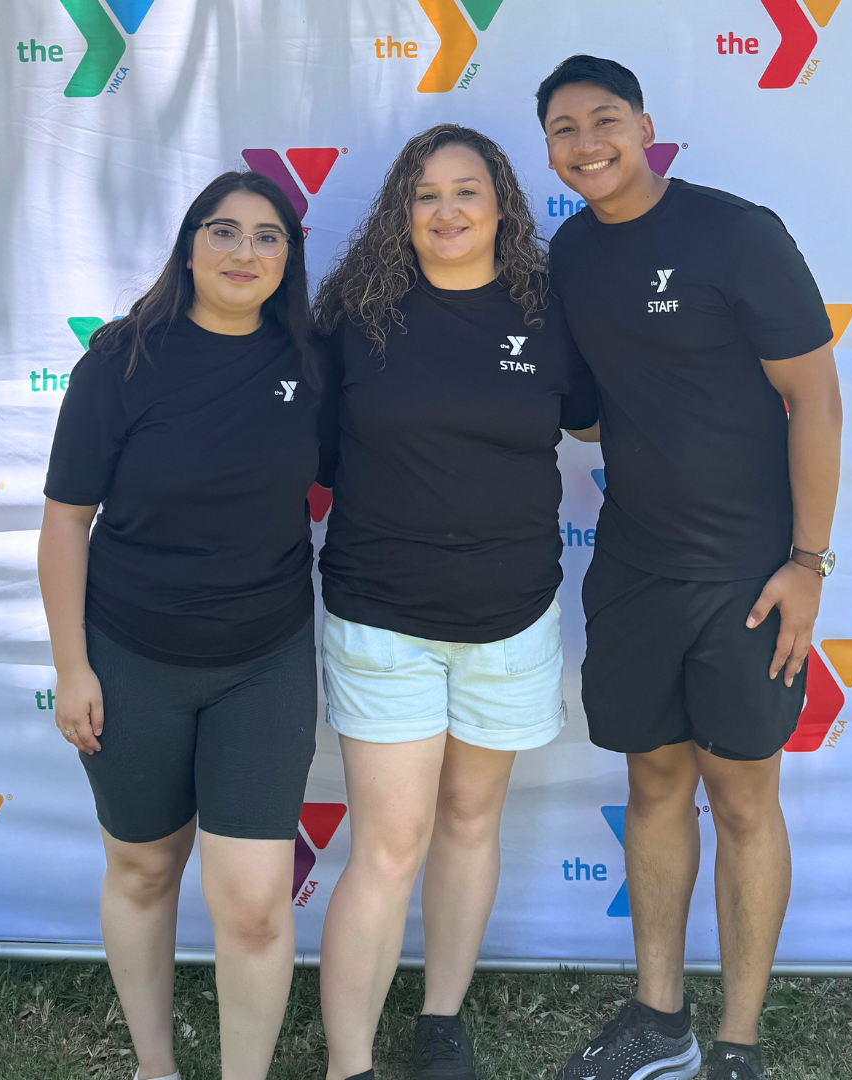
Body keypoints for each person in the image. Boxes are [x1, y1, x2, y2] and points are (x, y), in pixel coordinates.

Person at [536, 56, 843, 1080]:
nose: (587, 144)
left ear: (644, 125)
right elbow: (579, 409)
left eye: (604, 119)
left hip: (750, 574)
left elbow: (818, 402)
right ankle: (658, 1020)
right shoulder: (569, 256)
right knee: (654, 780)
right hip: (630, 568)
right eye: (565, 129)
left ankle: (740, 1044)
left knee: (746, 798)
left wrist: (807, 563)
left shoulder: (735, 232)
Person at [311, 123, 597, 1080]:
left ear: (502, 205)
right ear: (402, 209)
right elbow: (303, 448)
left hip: (512, 614)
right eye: (425, 194)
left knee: (473, 821)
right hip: (380, 615)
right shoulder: (355, 312)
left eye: (466, 190)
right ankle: (349, 1062)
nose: (446, 210)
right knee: (390, 846)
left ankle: (440, 1020)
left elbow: (603, 415)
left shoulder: (552, 310)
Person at [38, 171, 320, 1080]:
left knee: (251, 906)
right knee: (146, 872)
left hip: (263, 661)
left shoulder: (310, 363)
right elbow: (64, 522)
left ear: (289, 256)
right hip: (131, 657)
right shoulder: (122, 359)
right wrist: (73, 667)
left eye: (268, 236)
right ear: (189, 243)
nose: (246, 252)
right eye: (226, 231)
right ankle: (153, 1068)